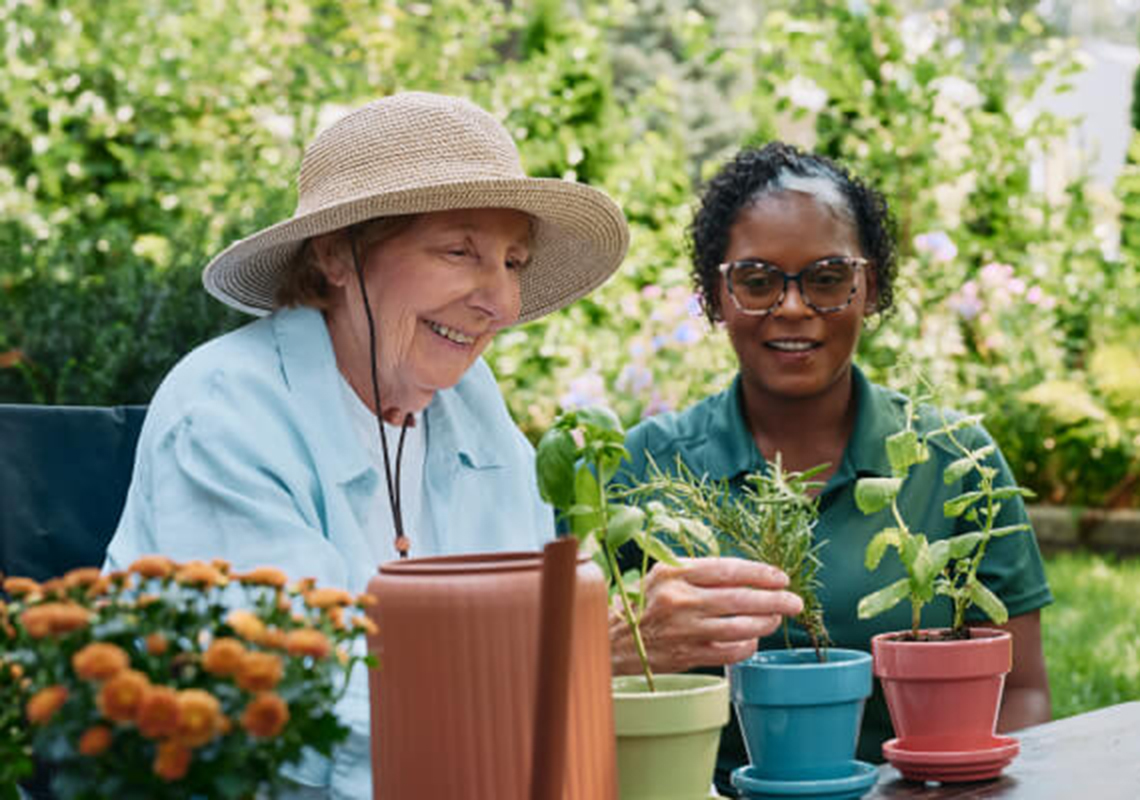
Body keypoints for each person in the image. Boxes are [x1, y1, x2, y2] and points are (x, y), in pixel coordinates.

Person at [105, 92, 802, 799]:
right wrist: (587, 650)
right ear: (336, 256)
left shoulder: (470, 406)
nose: (500, 303)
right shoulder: (228, 414)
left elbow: (521, 669)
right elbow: (301, 720)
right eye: (459, 251)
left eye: (512, 261)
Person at [619, 142, 1054, 796]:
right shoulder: (645, 467)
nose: (792, 308)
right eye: (758, 280)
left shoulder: (956, 461)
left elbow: (1022, 692)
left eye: (826, 277)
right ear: (716, 295)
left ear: (869, 287)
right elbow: (585, 686)